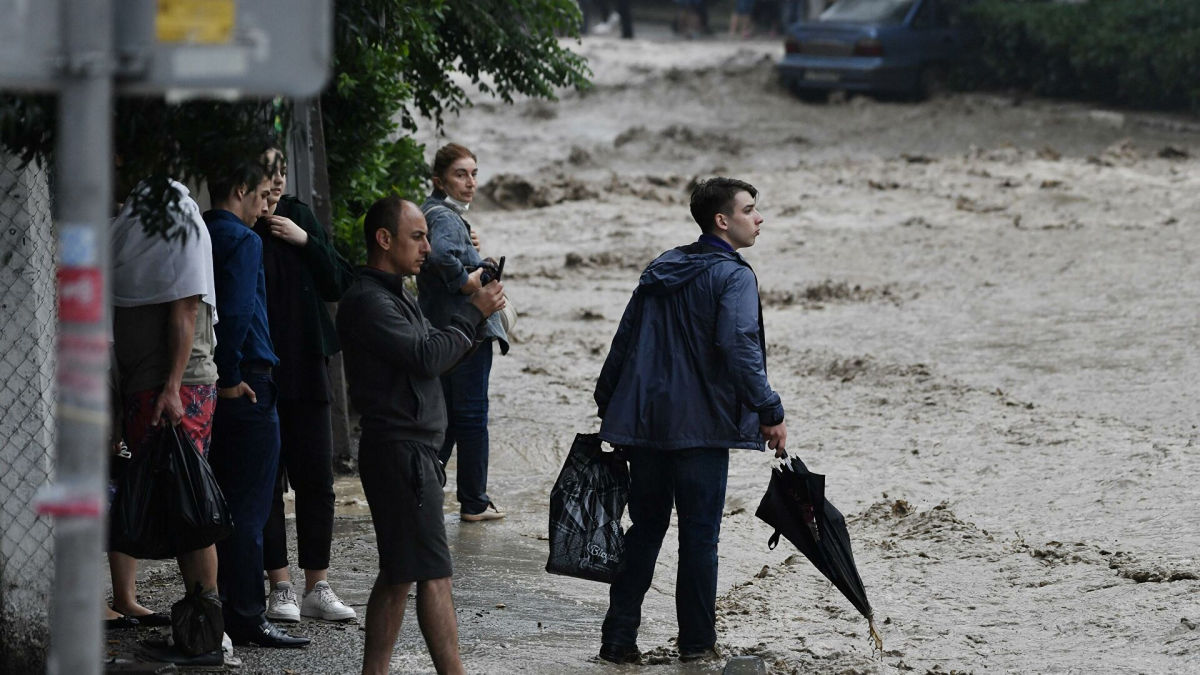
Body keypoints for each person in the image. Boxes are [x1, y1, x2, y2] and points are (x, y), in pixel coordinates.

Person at [592, 177, 788, 664]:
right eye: (750, 210)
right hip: (699, 430)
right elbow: (739, 346)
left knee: (645, 529)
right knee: (699, 538)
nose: (759, 218)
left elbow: (624, 340)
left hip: (646, 425)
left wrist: (609, 406)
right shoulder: (735, 277)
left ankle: (617, 640)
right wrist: (770, 409)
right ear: (722, 221)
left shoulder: (663, 267)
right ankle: (696, 646)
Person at [337, 196, 506, 675]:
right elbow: (427, 357)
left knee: (398, 574)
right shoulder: (370, 301)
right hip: (401, 451)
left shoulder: (393, 294)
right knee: (434, 575)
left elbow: (434, 351)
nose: (428, 248)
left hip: (408, 450)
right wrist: (472, 312)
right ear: (384, 239)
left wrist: (471, 320)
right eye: (418, 237)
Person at [106, 179, 221, 643]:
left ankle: (206, 632)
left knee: (190, 505)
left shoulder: (178, 221)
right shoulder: (129, 224)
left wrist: (172, 387)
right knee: (176, 505)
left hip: (176, 387)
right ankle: (196, 627)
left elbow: (185, 309)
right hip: (144, 385)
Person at [204, 155, 309, 648]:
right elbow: (240, 310)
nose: (266, 204)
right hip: (247, 381)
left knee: (221, 501)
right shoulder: (243, 240)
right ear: (241, 187)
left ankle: (221, 606)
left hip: (213, 384)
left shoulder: (200, 230)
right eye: (263, 192)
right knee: (250, 508)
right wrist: (230, 376)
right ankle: (245, 615)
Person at [254, 147, 357, 624]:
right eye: (267, 174)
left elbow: (339, 280)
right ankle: (279, 586)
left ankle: (318, 584)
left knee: (317, 478)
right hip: (261, 371)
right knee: (267, 480)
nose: (276, 183)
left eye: (281, 173)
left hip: (308, 364)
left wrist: (304, 240)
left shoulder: (298, 215)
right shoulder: (238, 226)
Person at [417, 143, 510, 522]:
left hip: (444, 329)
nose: (470, 182)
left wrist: (475, 262)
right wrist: (468, 282)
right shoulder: (444, 217)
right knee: (471, 417)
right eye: (461, 174)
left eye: (474, 173)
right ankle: (473, 502)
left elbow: (440, 254)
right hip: (466, 331)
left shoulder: (431, 212)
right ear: (440, 180)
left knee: (450, 418)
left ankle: (422, 488)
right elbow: (440, 256)